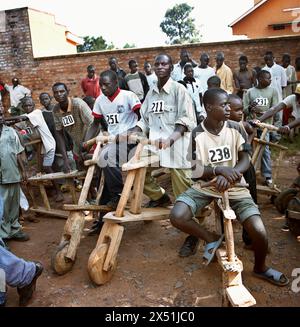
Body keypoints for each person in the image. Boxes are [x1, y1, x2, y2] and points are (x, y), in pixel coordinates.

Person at [169, 88, 289, 287]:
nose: (228, 108)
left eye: (228, 104)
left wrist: (231, 175)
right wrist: (218, 170)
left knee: (259, 232)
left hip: (235, 186)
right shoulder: (198, 133)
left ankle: (260, 268)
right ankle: (211, 238)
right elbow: (196, 169)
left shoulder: (235, 127)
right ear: (209, 107)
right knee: (177, 215)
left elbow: (245, 159)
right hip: (206, 185)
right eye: (223, 105)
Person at [128, 53, 199, 257]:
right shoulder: (151, 93)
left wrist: (170, 139)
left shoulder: (179, 90)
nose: (159, 67)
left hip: (177, 145)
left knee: (184, 193)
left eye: (164, 64)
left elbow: (186, 120)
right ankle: (159, 196)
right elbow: (144, 121)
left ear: (170, 68)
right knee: (134, 166)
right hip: (154, 145)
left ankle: (193, 233)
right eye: (157, 64)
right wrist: (134, 131)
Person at [228, 94, 257, 248]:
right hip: (229, 167)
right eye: (237, 110)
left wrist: (248, 145)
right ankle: (226, 238)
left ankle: (250, 239)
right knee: (226, 201)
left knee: (251, 199)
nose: (240, 113)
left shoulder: (243, 125)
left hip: (246, 166)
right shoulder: (222, 126)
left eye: (241, 109)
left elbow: (252, 132)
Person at [244, 70, 279, 187]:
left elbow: (274, 109)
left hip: (265, 127)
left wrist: (261, 113)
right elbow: (244, 110)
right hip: (251, 126)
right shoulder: (250, 92)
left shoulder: (273, 91)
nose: (270, 80)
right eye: (267, 78)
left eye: (270, 78)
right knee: (247, 149)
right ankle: (247, 172)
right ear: (259, 78)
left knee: (265, 151)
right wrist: (250, 108)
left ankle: (267, 175)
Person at [0, 106, 29, 242]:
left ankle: (15, 230)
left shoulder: (10, 131)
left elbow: (18, 152)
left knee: (13, 205)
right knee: (3, 207)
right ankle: (4, 234)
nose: (1, 117)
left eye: (1, 114)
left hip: (13, 173)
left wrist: (23, 171)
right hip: (1, 177)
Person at [52, 82, 94, 172]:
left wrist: (86, 146)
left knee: (95, 171)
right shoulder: (55, 110)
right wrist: (65, 160)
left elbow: (93, 125)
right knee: (81, 172)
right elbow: (59, 134)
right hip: (78, 146)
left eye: (62, 91)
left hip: (92, 141)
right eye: (56, 92)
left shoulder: (78, 104)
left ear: (67, 92)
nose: (59, 94)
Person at [281, 54, 297, 125]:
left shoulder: (292, 69)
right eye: (285, 61)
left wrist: (294, 92)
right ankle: (283, 124)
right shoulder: (279, 68)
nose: (287, 63)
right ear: (282, 61)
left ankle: (288, 125)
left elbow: (294, 82)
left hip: (289, 92)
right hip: (281, 92)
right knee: (281, 109)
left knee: (288, 109)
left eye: (288, 62)